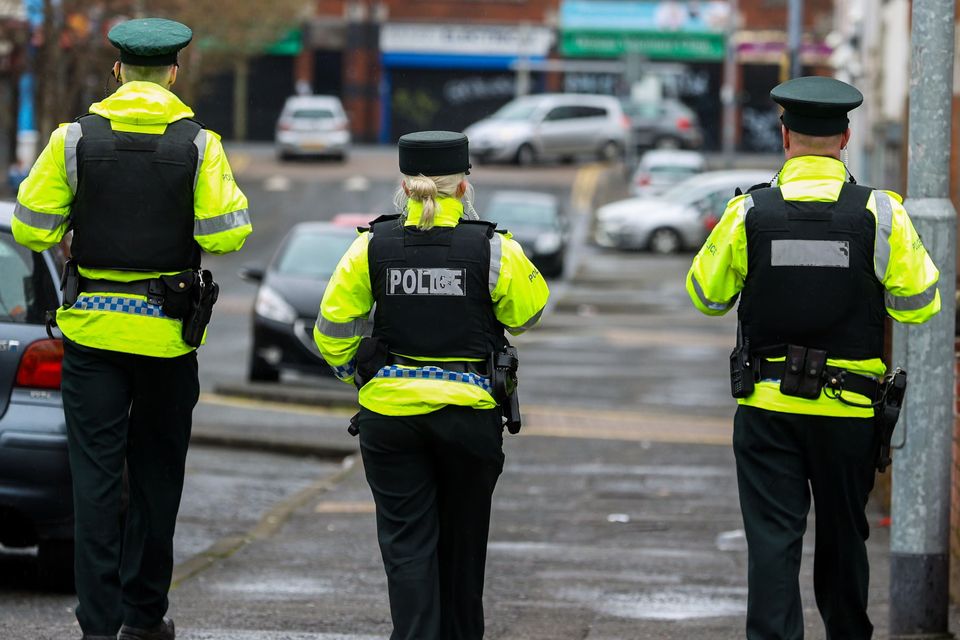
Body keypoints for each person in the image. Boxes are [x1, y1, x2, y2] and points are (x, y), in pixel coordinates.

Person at [12, 18, 251, 640]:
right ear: (174, 73)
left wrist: (75, 224)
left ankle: (97, 623)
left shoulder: (72, 140)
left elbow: (31, 227)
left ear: (116, 71)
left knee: (94, 484)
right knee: (156, 480)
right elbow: (225, 234)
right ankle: (144, 617)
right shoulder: (201, 145)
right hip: (169, 340)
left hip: (91, 338)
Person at [686, 76, 940, 639]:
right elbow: (920, 303)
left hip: (768, 407)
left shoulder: (748, 212)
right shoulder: (881, 214)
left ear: (784, 137)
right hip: (850, 410)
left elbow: (706, 296)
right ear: (846, 137)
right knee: (845, 538)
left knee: (773, 542)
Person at [314, 130, 549, 640]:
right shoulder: (492, 248)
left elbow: (331, 329)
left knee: (407, 548)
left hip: (391, 421)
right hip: (468, 418)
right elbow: (528, 312)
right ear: (463, 188)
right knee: (464, 548)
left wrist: (354, 371)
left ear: (403, 184)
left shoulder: (370, 246)